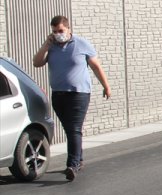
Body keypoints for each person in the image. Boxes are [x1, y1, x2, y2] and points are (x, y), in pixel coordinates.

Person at [32, 15, 111, 181]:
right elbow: (37, 63)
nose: (58, 34)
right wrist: (46, 46)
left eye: (60, 30)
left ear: (68, 29)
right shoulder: (51, 47)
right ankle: (79, 159)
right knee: (71, 129)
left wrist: (106, 86)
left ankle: (72, 164)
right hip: (58, 94)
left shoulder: (82, 44)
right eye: (54, 31)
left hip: (79, 94)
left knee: (74, 128)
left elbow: (96, 66)